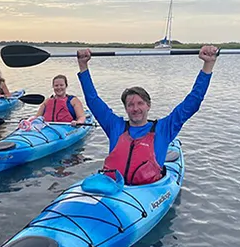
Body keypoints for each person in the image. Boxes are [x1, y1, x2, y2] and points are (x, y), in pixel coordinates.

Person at [77, 46, 216, 185]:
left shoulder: (164, 129)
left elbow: (193, 101)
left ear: (148, 105)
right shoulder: (115, 126)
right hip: (112, 188)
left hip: (146, 191)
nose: (135, 108)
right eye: (130, 105)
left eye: (140, 103)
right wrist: (83, 65)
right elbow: (92, 100)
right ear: (126, 108)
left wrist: (208, 64)